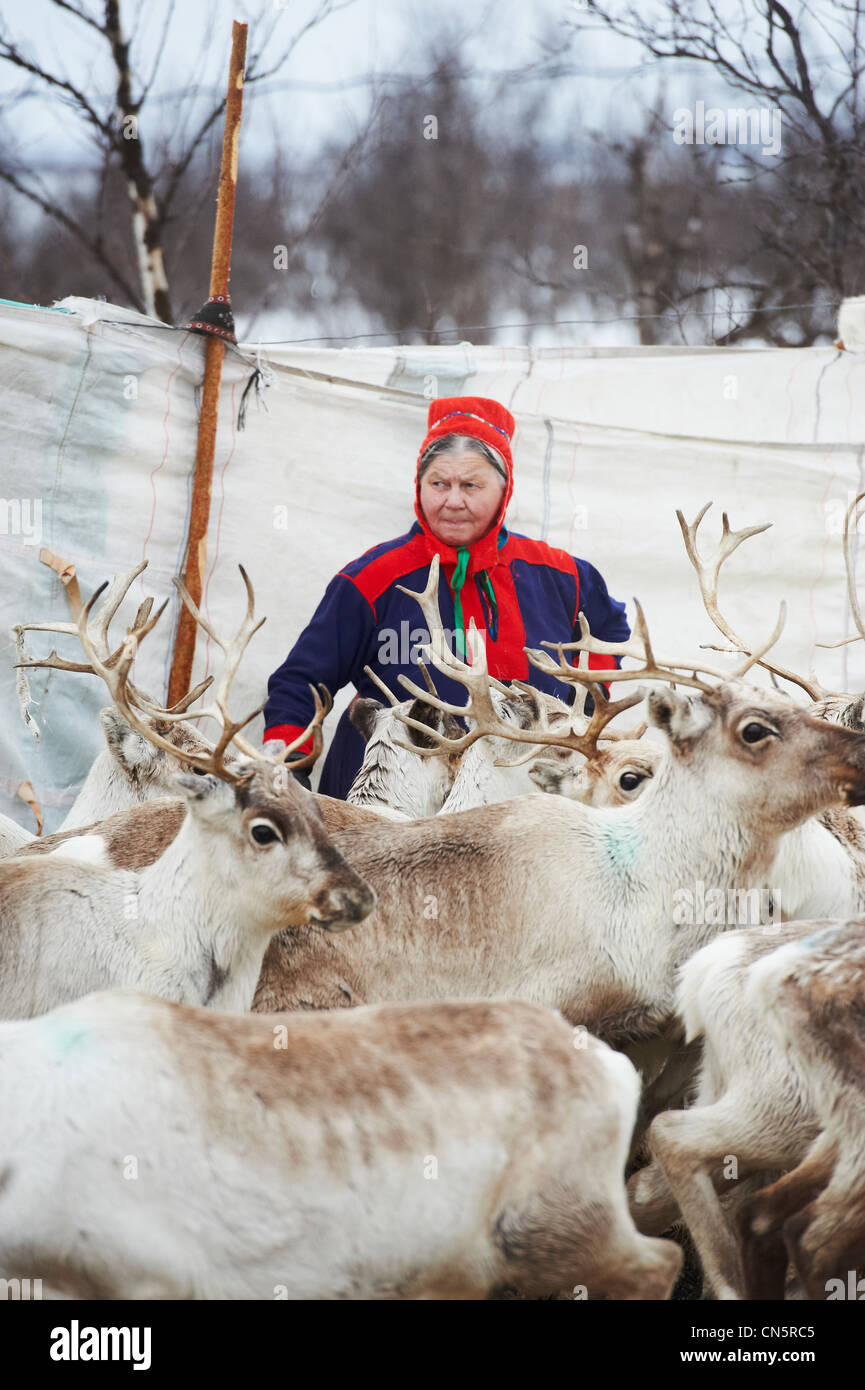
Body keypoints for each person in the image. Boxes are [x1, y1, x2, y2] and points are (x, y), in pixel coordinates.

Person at [263, 395, 631, 797]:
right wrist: (288, 768)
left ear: (505, 489)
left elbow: (608, 628)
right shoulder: (372, 579)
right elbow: (300, 682)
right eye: (439, 483)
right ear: (419, 485)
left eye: (471, 485)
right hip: (387, 809)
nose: (453, 501)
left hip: (519, 808)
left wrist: (587, 703)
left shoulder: (559, 574)